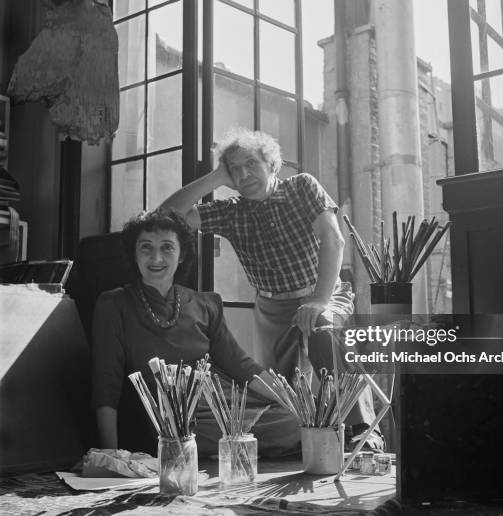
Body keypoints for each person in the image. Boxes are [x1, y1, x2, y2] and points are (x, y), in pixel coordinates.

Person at [161, 128, 382, 450]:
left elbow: (333, 239)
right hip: (272, 308)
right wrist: (215, 177)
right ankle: (306, 446)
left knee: (324, 329)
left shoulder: (302, 186)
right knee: (283, 392)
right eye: (234, 169)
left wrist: (319, 300)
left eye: (251, 163)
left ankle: (364, 430)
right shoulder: (230, 210)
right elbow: (165, 217)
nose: (244, 173)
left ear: (271, 163)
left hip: (323, 291)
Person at [91, 208, 299, 457]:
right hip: (174, 414)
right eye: (146, 247)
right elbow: (106, 382)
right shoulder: (114, 304)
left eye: (167, 247)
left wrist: (296, 402)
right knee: (199, 438)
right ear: (134, 254)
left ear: (181, 255)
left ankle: (240, 447)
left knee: (298, 421)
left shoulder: (205, 304)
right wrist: (110, 453)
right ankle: (240, 448)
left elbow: (241, 365)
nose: (156, 258)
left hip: (223, 399)